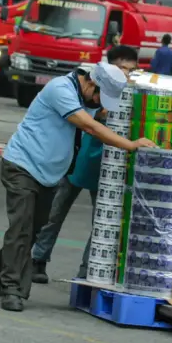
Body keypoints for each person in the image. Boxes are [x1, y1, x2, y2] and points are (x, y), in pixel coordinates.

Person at [0, 61, 157, 312]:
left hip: (49, 173)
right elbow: (89, 126)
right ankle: (13, 289)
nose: (99, 103)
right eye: (99, 96)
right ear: (90, 82)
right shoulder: (60, 90)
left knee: (34, 229)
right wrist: (130, 145)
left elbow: (95, 114)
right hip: (22, 164)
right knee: (22, 226)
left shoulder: (84, 92)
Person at [30, 46, 140, 285]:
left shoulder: (132, 94)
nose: (126, 76)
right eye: (122, 69)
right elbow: (89, 124)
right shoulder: (88, 91)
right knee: (55, 210)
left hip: (110, 163)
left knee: (103, 219)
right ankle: (38, 258)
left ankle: (88, 270)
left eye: (131, 71)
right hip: (81, 155)